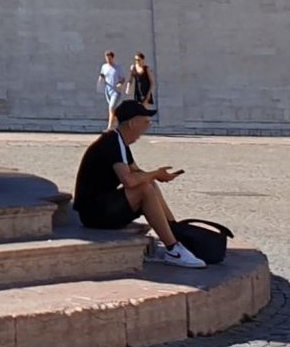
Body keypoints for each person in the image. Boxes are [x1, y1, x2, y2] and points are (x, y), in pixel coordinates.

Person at [72, 99, 205, 268]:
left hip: (101, 207)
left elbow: (138, 173)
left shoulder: (118, 141)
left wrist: (157, 176)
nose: (148, 126)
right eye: (146, 121)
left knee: (149, 184)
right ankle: (173, 249)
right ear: (133, 123)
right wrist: (155, 173)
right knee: (145, 189)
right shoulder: (112, 143)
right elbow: (128, 180)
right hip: (94, 213)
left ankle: (176, 232)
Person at [128, 52, 158, 124]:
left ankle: (144, 123)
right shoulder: (133, 68)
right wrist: (128, 86)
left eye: (138, 60)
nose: (137, 61)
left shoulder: (146, 69)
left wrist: (148, 94)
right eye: (135, 60)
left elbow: (152, 82)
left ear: (142, 60)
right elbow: (131, 79)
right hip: (138, 91)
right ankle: (144, 123)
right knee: (138, 109)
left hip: (145, 91)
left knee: (143, 109)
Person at [99, 50, 121, 127]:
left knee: (111, 107)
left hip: (116, 91)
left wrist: (120, 83)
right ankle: (117, 121)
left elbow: (123, 78)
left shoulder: (117, 67)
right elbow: (102, 74)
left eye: (109, 58)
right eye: (107, 58)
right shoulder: (104, 66)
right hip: (107, 90)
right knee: (111, 109)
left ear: (113, 58)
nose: (108, 60)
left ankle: (109, 128)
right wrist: (100, 79)